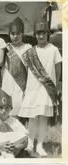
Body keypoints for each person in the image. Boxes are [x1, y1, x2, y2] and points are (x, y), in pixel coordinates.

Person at [18, 18, 62, 157]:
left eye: (43, 33)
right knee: (32, 117)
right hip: (32, 88)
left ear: (47, 34)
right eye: (38, 33)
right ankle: (30, 143)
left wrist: (55, 87)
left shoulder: (54, 50)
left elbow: (58, 69)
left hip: (46, 89)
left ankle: (40, 145)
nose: (41, 36)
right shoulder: (31, 51)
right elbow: (25, 70)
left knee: (43, 117)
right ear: (35, 35)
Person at [1, 17, 32, 116]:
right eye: (13, 34)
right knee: (6, 110)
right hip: (7, 82)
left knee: (19, 110)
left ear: (22, 33)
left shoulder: (28, 47)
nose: (15, 36)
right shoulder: (6, 48)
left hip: (21, 85)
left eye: (18, 33)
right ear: (9, 34)